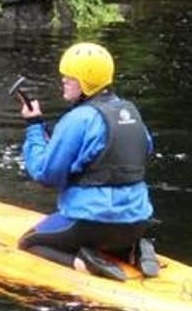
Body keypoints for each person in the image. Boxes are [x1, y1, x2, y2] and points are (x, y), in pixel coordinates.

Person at [17, 41, 158, 282]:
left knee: (28, 243)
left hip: (91, 225)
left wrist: (33, 126)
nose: (64, 80)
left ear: (85, 83)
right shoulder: (131, 112)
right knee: (117, 228)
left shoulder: (78, 118)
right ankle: (134, 249)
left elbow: (45, 174)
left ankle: (83, 263)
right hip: (137, 223)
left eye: (70, 78)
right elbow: (142, 151)